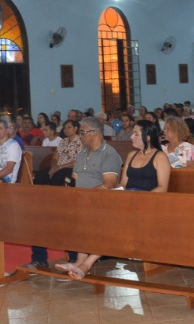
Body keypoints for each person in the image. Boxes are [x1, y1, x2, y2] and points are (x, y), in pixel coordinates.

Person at [30, 117, 123, 275]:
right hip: (78, 200)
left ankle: (80, 262)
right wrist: (67, 195)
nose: (80, 136)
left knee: (76, 218)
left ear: (93, 133)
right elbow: (73, 179)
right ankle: (40, 259)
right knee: (41, 215)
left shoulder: (109, 154)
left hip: (99, 202)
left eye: (82, 132)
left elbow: (108, 184)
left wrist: (85, 197)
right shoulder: (82, 154)